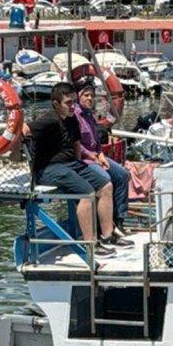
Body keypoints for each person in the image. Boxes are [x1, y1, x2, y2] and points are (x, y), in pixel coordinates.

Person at [25, 82, 125, 252]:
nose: (72, 106)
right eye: (68, 103)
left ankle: (107, 236)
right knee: (87, 193)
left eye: (74, 101)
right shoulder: (49, 120)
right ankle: (90, 245)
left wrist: (81, 166)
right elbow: (24, 129)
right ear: (56, 104)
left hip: (70, 164)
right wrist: (15, 149)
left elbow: (77, 144)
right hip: (49, 168)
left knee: (105, 185)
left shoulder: (71, 119)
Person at [73, 82, 131, 235]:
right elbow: (76, 144)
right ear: (78, 96)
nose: (90, 98)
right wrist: (92, 156)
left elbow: (96, 142)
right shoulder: (75, 116)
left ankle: (119, 219)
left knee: (122, 175)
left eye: (92, 96)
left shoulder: (90, 116)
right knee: (105, 179)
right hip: (84, 160)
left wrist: (100, 154)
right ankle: (104, 227)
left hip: (96, 156)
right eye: (86, 95)